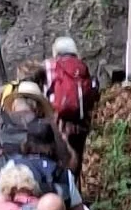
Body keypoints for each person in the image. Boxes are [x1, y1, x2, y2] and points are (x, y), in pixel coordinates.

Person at [42, 36, 99, 178]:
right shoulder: (81, 67)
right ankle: (74, 192)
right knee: (76, 158)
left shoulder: (49, 65)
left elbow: (42, 93)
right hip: (79, 123)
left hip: (56, 121)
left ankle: (59, 191)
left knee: (56, 157)